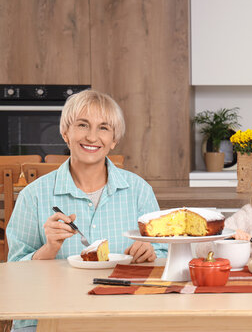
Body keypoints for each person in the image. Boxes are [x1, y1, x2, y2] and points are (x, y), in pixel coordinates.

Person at [7, 90, 167, 332]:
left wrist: (150, 252)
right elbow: (15, 276)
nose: (92, 137)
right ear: (65, 133)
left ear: (114, 140)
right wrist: (47, 249)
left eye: (103, 128)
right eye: (83, 125)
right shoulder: (34, 195)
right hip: (51, 319)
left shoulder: (138, 191)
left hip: (123, 317)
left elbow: (164, 254)